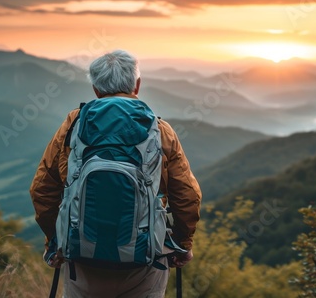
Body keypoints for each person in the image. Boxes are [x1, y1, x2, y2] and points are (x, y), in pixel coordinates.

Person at [29, 50, 202, 297]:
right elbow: (187, 195)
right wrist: (183, 244)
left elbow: (42, 189)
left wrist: (54, 243)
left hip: (83, 257)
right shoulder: (160, 129)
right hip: (146, 260)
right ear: (137, 85)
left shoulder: (74, 125)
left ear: (96, 90)